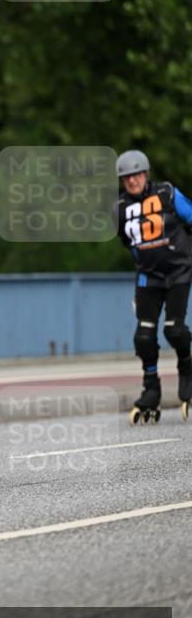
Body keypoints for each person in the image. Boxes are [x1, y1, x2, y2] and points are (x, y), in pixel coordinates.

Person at [113, 149, 192, 423]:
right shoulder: (120, 209)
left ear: (146, 174)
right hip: (148, 277)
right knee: (144, 336)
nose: (132, 181)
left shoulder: (167, 194)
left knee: (175, 330)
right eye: (126, 178)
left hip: (179, 272)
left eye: (136, 175)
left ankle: (186, 366)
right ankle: (151, 388)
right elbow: (128, 242)